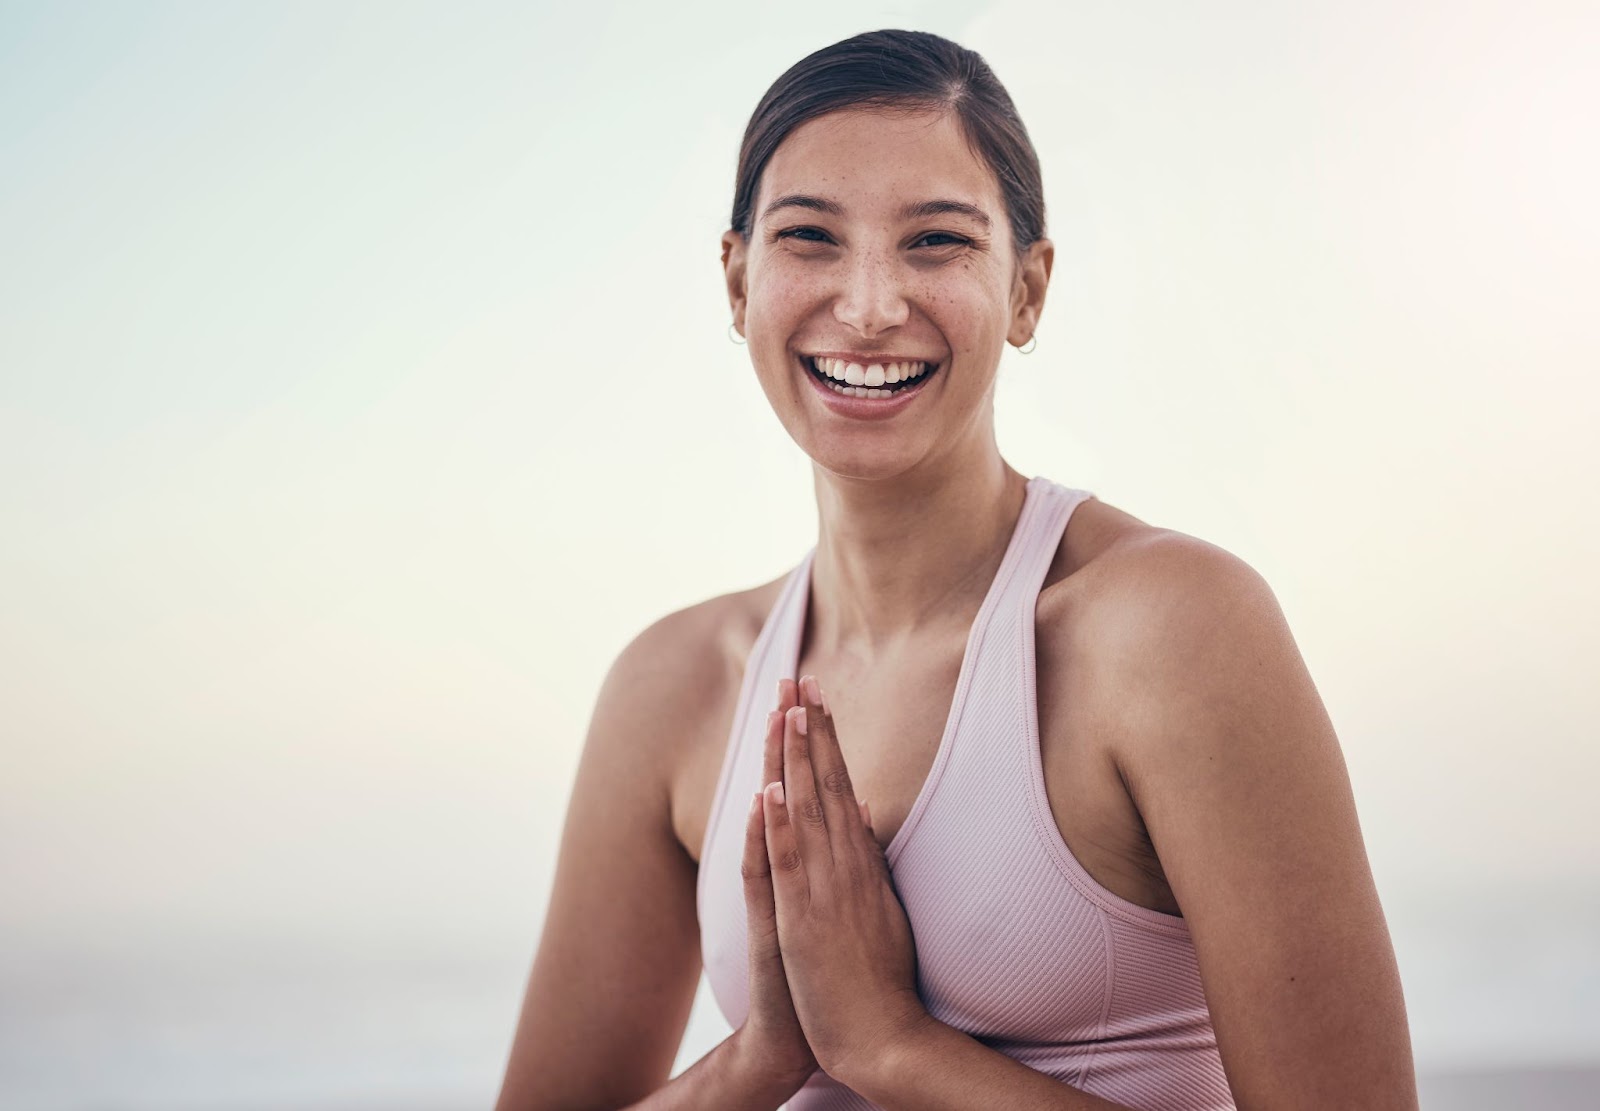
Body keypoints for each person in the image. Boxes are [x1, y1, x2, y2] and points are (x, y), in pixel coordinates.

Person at [495, 28, 1417, 1111]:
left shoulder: (1168, 631)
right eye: (810, 238)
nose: (872, 304)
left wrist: (891, 1044)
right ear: (738, 279)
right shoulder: (675, 686)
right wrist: (755, 1062)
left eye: (936, 241)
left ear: (1026, 290)